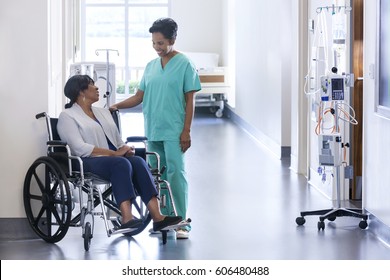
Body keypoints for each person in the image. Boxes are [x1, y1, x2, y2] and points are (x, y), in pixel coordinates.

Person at [111, 17, 201, 239]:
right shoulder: (151, 67)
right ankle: (163, 220)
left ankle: (181, 222)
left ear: (173, 39)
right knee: (156, 177)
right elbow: (138, 97)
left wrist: (186, 130)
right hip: (153, 130)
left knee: (176, 175)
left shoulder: (185, 64)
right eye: (154, 43)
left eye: (161, 43)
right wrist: (115, 106)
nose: (157, 48)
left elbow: (190, 100)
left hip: (175, 130)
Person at [57, 74, 182, 233]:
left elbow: (117, 141)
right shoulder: (67, 116)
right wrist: (114, 154)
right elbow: (78, 147)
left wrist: (125, 149)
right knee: (120, 163)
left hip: (112, 160)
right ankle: (127, 218)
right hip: (86, 161)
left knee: (137, 161)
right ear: (80, 92)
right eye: (91, 84)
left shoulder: (103, 112)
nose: (96, 87)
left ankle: (158, 218)